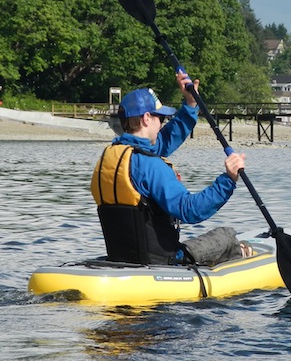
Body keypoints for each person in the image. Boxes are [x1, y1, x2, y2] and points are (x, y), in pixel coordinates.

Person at [90, 71, 251, 266]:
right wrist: (228, 179)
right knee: (225, 235)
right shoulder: (151, 165)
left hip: (122, 257)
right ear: (147, 118)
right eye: (161, 118)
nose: (162, 123)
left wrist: (191, 104)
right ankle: (241, 254)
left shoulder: (112, 157)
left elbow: (164, 142)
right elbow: (189, 210)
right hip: (162, 261)